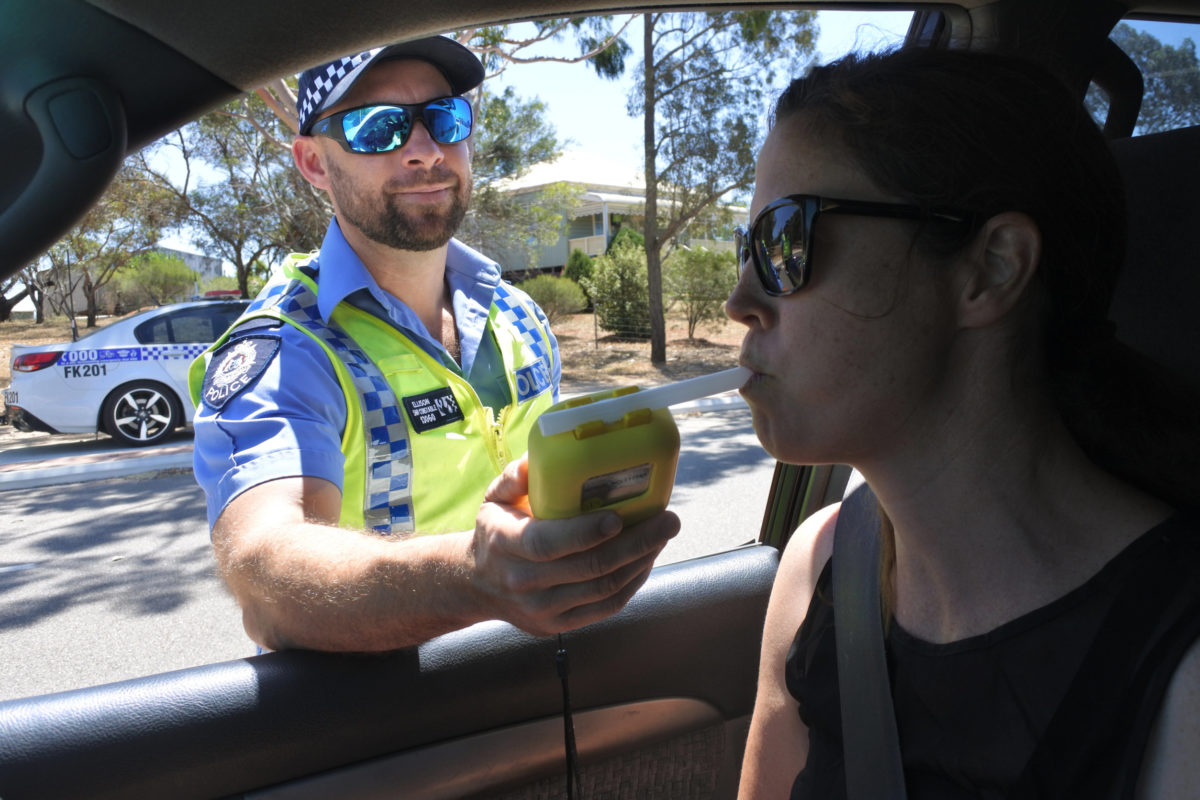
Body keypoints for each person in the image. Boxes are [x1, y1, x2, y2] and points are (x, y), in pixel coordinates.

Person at [728, 48, 1200, 798]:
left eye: (788, 241)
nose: (741, 298)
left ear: (992, 269)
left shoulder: (1181, 678)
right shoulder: (820, 567)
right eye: (747, 246)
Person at [189, 36, 679, 653]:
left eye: (444, 118)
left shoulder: (518, 317)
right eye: (377, 128)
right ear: (314, 163)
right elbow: (267, 576)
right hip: (386, 720)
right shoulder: (286, 349)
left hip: (539, 675)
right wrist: (472, 578)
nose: (425, 151)